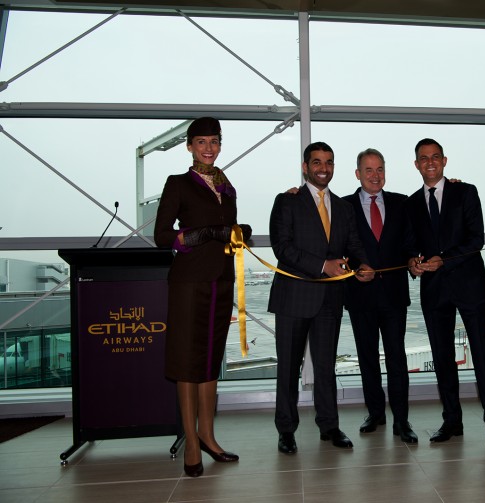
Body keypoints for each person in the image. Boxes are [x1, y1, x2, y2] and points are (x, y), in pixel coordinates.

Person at [154, 117, 251, 478]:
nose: (209, 147)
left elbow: (226, 233)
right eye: (201, 142)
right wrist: (196, 235)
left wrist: (237, 233)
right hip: (188, 282)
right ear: (190, 146)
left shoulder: (228, 187)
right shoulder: (178, 183)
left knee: (210, 360)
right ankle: (191, 444)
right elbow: (162, 235)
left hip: (220, 281)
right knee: (186, 361)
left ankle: (209, 436)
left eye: (214, 141)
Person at [268, 141, 375, 454]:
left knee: (327, 367)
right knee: (288, 367)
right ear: (305, 167)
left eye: (328, 162)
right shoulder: (286, 201)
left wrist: (362, 264)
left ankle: (329, 426)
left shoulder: (342, 207)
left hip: (330, 299)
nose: (323, 168)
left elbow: (353, 246)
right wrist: (321, 266)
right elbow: (282, 247)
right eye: (317, 162)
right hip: (293, 297)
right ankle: (286, 430)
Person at [405, 138, 485, 451]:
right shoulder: (411, 203)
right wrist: (412, 262)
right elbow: (409, 244)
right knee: (442, 359)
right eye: (424, 158)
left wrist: (444, 259)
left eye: (435, 157)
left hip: (470, 285)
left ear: (444, 160)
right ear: (416, 165)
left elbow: (475, 238)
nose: (430, 162)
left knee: (481, 356)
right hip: (434, 290)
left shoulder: (466, 192)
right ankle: (452, 420)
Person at [342, 148, 417, 443]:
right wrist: (355, 267)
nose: (376, 176)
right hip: (360, 294)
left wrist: (413, 260)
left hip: (394, 294)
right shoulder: (343, 205)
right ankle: (375, 413)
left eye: (380, 169)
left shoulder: (402, 203)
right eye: (369, 170)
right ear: (358, 174)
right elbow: (339, 247)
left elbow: (410, 242)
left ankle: (402, 420)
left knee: (397, 358)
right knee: (367, 358)